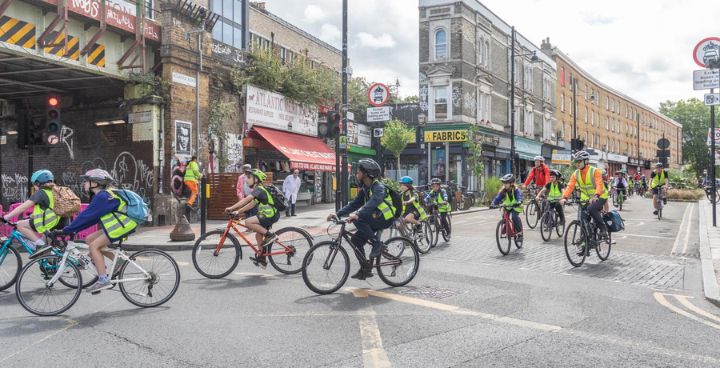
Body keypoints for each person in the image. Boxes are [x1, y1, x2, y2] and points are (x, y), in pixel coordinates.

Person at [59, 169, 138, 293]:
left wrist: (68, 229)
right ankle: (117, 260)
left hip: (123, 224)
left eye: (86, 181)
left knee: (94, 246)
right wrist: (72, 229)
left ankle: (103, 280)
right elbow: (91, 217)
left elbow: (87, 216)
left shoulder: (103, 196)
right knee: (89, 239)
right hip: (118, 224)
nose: (84, 183)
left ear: (95, 183)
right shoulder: (102, 195)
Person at [326, 159, 396, 280]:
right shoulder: (365, 188)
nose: (356, 174)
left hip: (385, 218)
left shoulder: (378, 187)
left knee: (358, 219)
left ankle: (377, 244)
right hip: (375, 217)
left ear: (366, 174)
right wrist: (338, 214)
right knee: (356, 240)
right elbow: (354, 204)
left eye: (358, 171)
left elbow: (375, 201)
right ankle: (365, 269)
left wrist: (358, 214)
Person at [224, 169, 279, 268]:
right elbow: (251, 204)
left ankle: (270, 235)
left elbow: (246, 200)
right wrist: (238, 211)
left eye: (249, 178)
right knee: (258, 236)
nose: (246, 180)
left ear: (256, 180)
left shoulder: (259, 189)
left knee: (248, 222)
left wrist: (231, 208)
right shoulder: (259, 191)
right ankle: (262, 259)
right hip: (268, 215)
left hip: (269, 215)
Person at [0, 170, 64, 251]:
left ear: (38, 183)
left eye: (34, 184)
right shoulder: (55, 191)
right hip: (59, 222)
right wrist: (30, 217)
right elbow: (47, 208)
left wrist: (6, 217)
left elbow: (23, 207)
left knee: (20, 225)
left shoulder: (41, 192)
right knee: (45, 252)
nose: (34, 187)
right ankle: (51, 259)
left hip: (49, 222)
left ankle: (39, 244)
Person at [560, 150, 610, 242]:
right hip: (586, 198)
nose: (577, 163)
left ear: (586, 161)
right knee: (583, 220)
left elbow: (599, 184)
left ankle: (603, 230)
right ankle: (586, 243)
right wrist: (564, 197)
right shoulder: (576, 173)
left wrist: (596, 195)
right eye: (576, 161)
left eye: (579, 161)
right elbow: (570, 186)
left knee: (591, 209)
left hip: (600, 196)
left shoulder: (595, 171)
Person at [491, 174, 523, 244]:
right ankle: (506, 226)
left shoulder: (516, 190)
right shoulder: (504, 190)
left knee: (514, 217)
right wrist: (493, 203)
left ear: (511, 183)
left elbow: (519, 197)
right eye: (504, 183)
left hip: (516, 206)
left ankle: (520, 234)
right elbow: (498, 198)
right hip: (508, 206)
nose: (504, 184)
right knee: (504, 216)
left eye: (506, 183)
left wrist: (519, 201)